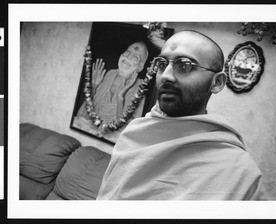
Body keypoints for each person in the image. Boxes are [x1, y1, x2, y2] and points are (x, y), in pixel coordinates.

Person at [97, 30, 262, 200]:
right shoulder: (133, 133)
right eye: (162, 64)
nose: (166, 76)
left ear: (217, 82)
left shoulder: (239, 171)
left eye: (184, 65)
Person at [74, 41, 149, 139]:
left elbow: (125, 134)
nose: (129, 57)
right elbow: (82, 116)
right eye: (128, 51)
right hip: (90, 130)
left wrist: (120, 96)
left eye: (136, 57)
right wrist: (93, 86)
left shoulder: (139, 90)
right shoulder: (110, 74)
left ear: (140, 67)